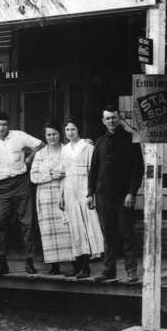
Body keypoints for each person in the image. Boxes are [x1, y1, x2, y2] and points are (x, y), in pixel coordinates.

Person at [87, 105, 144, 283]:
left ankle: (131, 270)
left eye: (113, 117)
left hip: (123, 196)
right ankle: (108, 269)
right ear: (103, 121)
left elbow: (138, 169)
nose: (111, 121)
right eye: (107, 118)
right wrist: (90, 193)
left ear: (118, 118)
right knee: (108, 233)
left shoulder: (130, 139)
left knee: (127, 232)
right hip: (104, 195)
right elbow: (94, 169)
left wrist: (131, 193)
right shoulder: (100, 142)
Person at [0, 112, 44, 275]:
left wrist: (29, 159)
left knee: (27, 223)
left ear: (8, 125)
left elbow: (40, 145)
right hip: (2, 186)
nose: (1, 128)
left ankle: (29, 261)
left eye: (4, 124)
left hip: (21, 183)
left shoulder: (18, 135)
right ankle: (2, 262)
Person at [61, 117, 104, 278]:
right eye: (67, 130)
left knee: (87, 226)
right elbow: (64, 173)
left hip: (84, 186)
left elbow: (94, 171)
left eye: (73, 129)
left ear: (78, 130)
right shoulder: (64, 149)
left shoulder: (87, 147)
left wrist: (91, 192)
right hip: (69, 187)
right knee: (74, 227)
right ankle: (76, 264)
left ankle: (86, 266)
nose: (70, 133)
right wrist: (62, 195)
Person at [30, 121, 74, 275]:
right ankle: (54, 265)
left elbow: (74, 169)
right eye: (48, 134)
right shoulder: (40, 154)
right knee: (49, 230)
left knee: (67, 226)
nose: (52, 137)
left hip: (64, 192)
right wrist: (51, 175)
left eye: (54, 134)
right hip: (45, 195)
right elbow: (33, 176)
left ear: (60, 134)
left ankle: (72, 263)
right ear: (45, 136)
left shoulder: (67, 150)